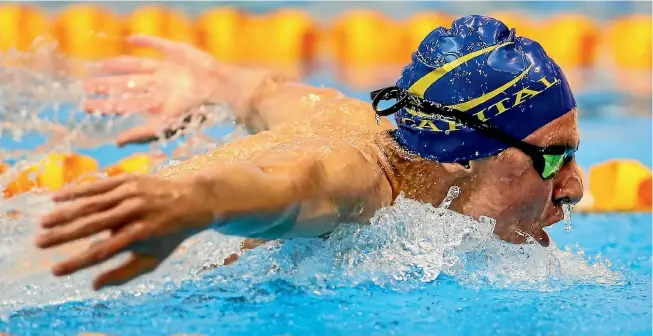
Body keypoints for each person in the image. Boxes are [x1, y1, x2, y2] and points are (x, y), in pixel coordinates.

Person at [34, 15, 583, 290]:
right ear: (463, 151)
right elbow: (291, 188)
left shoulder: (346, 117)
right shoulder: (360, 180)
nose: (576, 187)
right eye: (554, 157)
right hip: (58, 263)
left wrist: (213, 80)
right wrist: (194, 203)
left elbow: (264, 94)